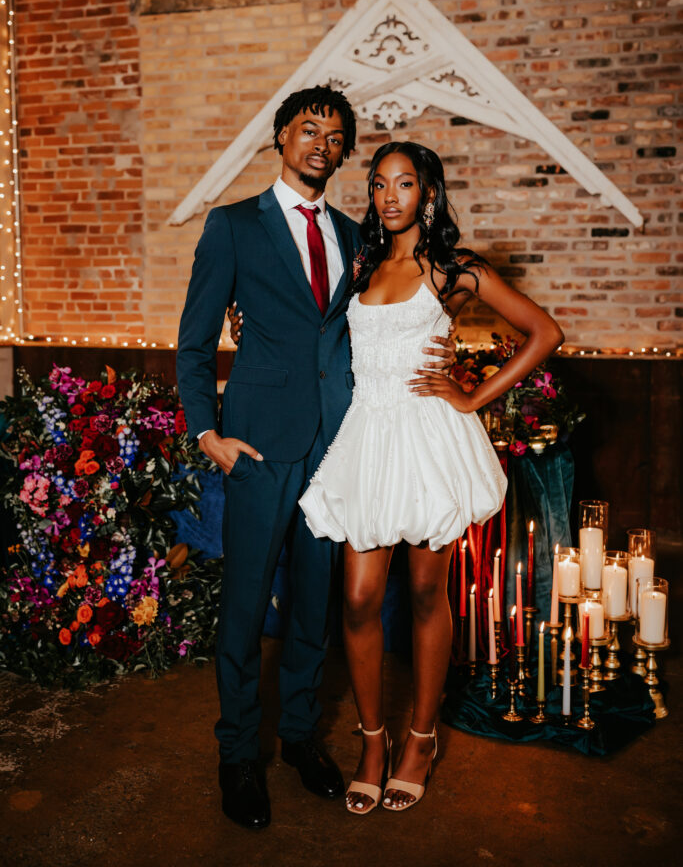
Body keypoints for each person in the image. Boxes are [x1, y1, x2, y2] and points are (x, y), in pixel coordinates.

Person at [176, 89, 455, 831]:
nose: (320, 145)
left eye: (335, 137)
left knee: (313, 606)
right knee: (245, 608)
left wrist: (447, 350)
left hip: (339, 447)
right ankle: (239, 754)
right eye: (307, 131)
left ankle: (300, 735)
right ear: (280, 137)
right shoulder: (233, 225)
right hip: (259, 447)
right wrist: (207, 434)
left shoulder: (357, 236)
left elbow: (388, 317)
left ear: (343, 152)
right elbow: (195, 341)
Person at [298, 140, 564, 815]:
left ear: (428, 194)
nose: (389, 196)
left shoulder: (452, 269)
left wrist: (473, 398)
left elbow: (543, 332)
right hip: (367, 438)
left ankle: (420, 738)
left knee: (424, 592)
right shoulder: (361, 264)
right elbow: (318, 334)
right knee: (358, 598)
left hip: (426, 440)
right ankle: (373, 742)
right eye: (379, 184)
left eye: (404, 184)